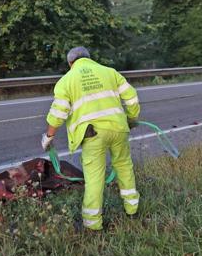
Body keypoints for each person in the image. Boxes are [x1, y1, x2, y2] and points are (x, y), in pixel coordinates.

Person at [41, 46, 141, 232]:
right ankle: (132, 210)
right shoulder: (110, 72)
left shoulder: (66, 80)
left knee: (95, 177)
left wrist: (49, 136)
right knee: (124, 166)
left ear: (70, 63)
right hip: (118, 128)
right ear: (89, 58)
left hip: (92, 134)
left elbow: (57, 114)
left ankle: (93, 224)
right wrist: (132, 119)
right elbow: (132, 98)